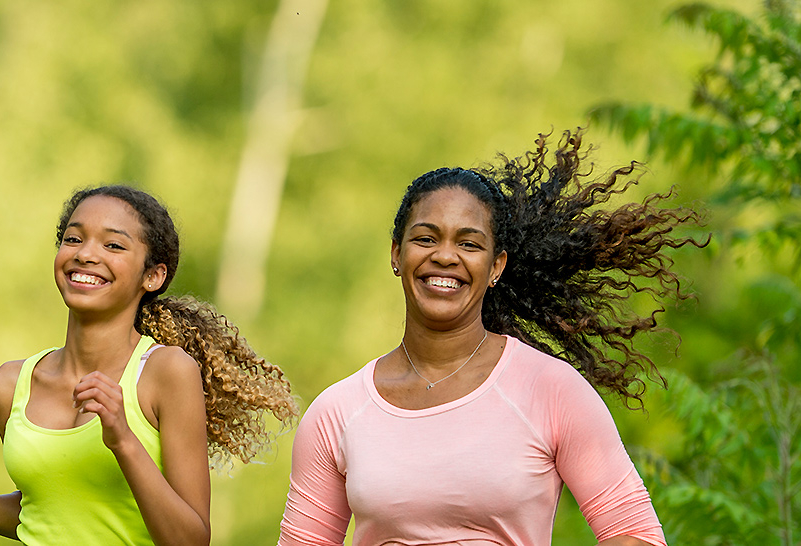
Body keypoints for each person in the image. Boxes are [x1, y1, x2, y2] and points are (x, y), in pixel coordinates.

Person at [278, 130, 702, 546]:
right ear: (396, 253)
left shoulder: (550, 390)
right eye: (426, 238)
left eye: (469, 244)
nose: (445, 256)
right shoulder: (337, 413)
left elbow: (637, 535)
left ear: (496, 266)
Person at [0, 185, 298, 545]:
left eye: (113, 245)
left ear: (152, 276)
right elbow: (49, 513)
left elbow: (190, 539)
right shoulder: (8, 385)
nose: (86, 254)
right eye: (73, 239)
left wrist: (124, 440)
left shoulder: (166, 373)